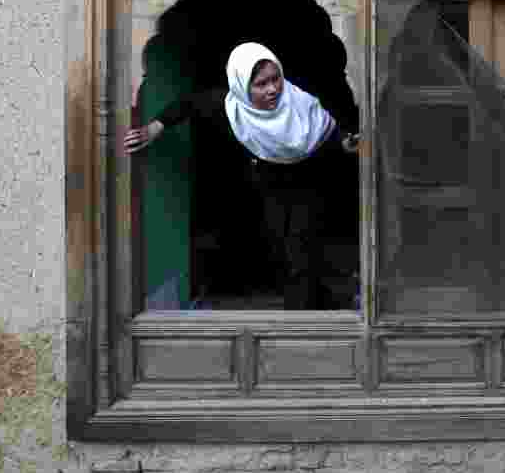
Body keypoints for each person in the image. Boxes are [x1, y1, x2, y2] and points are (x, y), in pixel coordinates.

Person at [125, 42, 360, 310]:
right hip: (266, 186)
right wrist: (156, 126)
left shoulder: (299, 101)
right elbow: (190, 103)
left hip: (309, 184)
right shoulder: (230, 108)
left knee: (300, 249)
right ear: (242, 86)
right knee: (280, 249)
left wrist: (345, 142)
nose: (273, 89)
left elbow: (326, 133)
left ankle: (299, 324)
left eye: (275, 79)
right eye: (261, 84)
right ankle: (318, 301)